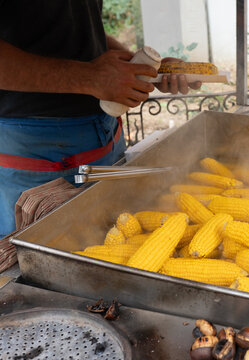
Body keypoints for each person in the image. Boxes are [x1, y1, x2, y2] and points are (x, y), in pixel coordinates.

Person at [0, 1, 200, 237]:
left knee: (116, 237)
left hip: (106, 136)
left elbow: (79, 33)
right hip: (35, 152)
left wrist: (141, 69)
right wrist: (90, 78)